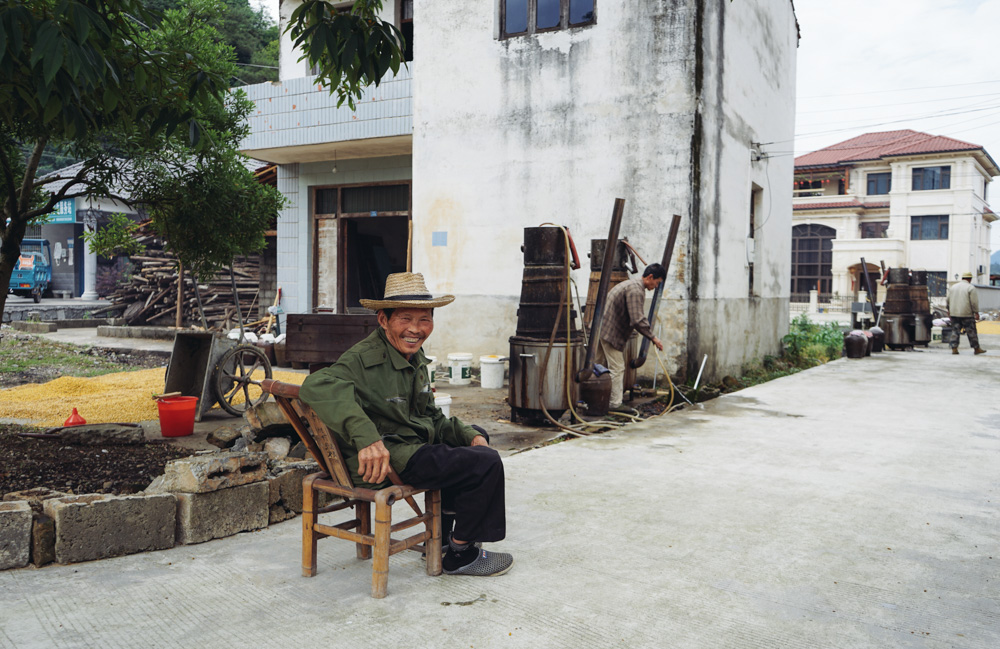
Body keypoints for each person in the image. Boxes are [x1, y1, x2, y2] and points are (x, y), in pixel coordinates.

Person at [299, 272, 513, 577]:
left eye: (424, 319)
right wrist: (366, 438)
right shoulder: (365, 358)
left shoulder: (414, 356)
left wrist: (467, 434)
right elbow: (315, 385)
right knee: (486, 463)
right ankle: (461, 553)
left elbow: (430, 416)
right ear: (383, 320)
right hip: (388, 457)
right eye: (405, 318)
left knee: (477, 439)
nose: (415, 329)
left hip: (409, 445)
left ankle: (441, 542)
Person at [595, 263, 666, 414]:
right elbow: (637, 319)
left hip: (603, 329)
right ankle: (614, 404)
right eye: (657, 282)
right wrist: (653, 338)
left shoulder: (632, 284)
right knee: (617, 368)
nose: (656, 286)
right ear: (650, 277)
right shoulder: (636, 290)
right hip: (611, 332)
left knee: (596, 366)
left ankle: (590, 400)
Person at [946, 271, 986, 355]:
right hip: (966, 314)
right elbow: (974, 302)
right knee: (971, 332)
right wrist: (976, 312)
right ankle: (976, 348)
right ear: (970, 279)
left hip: (954, 314)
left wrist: (948, 310)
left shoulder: (953, 287)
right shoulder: (970, 288)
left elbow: (948, 300)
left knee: (955, 331)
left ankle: (954, 348)